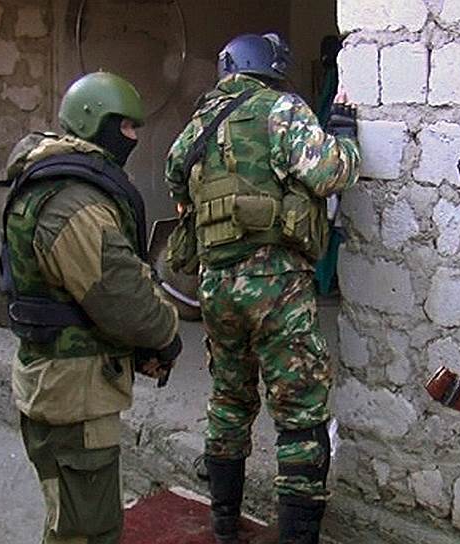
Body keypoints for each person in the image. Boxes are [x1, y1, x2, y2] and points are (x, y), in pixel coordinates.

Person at [165, 33, 360, 544]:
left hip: (217, 286)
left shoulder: (198, 125)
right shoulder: (282, 110)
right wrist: (345, 133)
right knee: (299, 410)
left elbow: (176, 181)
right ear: (271, 68)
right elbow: (331, 173)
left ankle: (224, 524)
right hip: (277, 287)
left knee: (229, 400)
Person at [0, 72, 182, 543]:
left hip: (64, 383)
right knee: (86, 530)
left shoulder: (57, 183)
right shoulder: (73, 203)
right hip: (72, 392)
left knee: (74, 519)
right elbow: (123, 298)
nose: (134, 137)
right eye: (126, 126)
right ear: (93, 123)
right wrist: (166, 334)